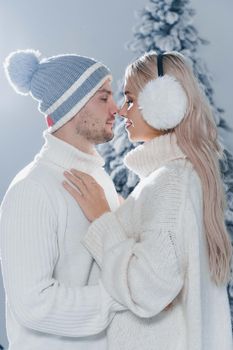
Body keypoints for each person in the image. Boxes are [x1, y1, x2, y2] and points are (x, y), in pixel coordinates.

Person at [63, 51, 233, 350]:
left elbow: (148, 288)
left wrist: (103, 220)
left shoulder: (170, 183)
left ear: (163, 103)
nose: (121, 111)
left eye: (129, 99)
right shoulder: (179, 178)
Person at [0, 49, 127, 350]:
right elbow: (34, 303)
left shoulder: (100, 181)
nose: (117, 108)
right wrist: (125, 295)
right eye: (103, 97)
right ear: (72, 107)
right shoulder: (32, 189)